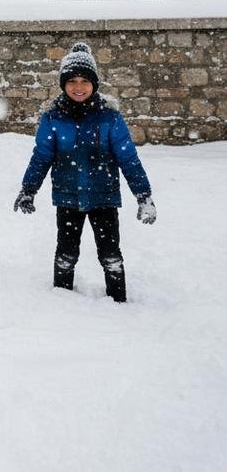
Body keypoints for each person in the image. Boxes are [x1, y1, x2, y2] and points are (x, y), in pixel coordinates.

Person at [14, 42, 156, 303]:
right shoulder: (53, 118)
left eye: (84, 81)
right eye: (72, 81)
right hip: (68, 198)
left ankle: (119, 303)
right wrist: (28, 189)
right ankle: (62, 301)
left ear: (94, 84)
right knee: (66, 254)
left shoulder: (109, 117)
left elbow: (128, 158)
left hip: (104, 197)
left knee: (110, 255)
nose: (78, 87)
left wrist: (143, 195)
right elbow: (42, 156)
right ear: (63, 84)